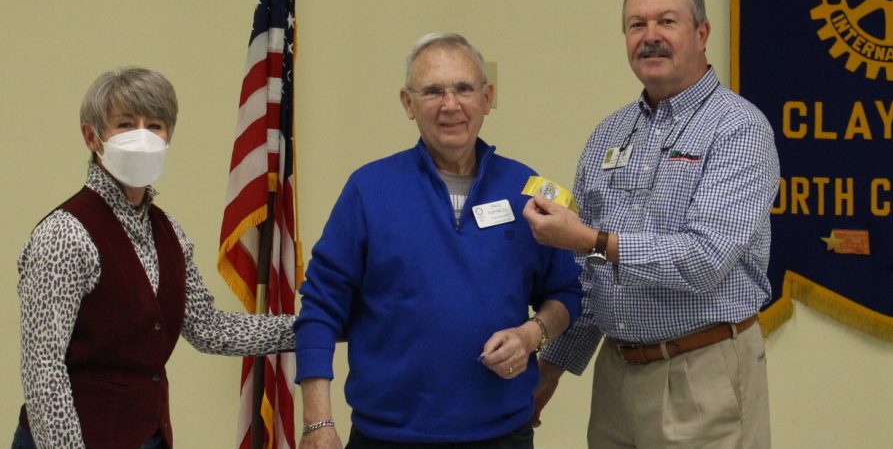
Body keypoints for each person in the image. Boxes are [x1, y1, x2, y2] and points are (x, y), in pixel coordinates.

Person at [523, 0, 781, 449]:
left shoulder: (739, 129)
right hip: (617, 378)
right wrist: (551, 368)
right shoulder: (609, 133)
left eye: (667, 21)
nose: (651, 37)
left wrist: (591, 240)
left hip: (703, 373)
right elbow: (590, 273)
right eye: (636, 25)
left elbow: (705, 259)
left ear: (701, 34)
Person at [294, 32, 582, 449]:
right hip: (386, 438)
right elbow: (320, 307)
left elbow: (566, 293)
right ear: (407, 104)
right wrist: (316, 422)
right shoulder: (369, 190)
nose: (450, 105)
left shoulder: (526, 189)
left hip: (503, 436)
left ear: (487, 97)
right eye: (432, 91)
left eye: (464, 88)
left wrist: (532, 334)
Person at [13, 66, 296, 449]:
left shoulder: (170, 232)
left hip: (150, 436)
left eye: (155, 125)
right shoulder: (64, 233)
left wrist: (311, 326)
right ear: (91, 136)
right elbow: (43, 370)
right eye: (125, 124)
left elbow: (208, 329)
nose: (142, 137)